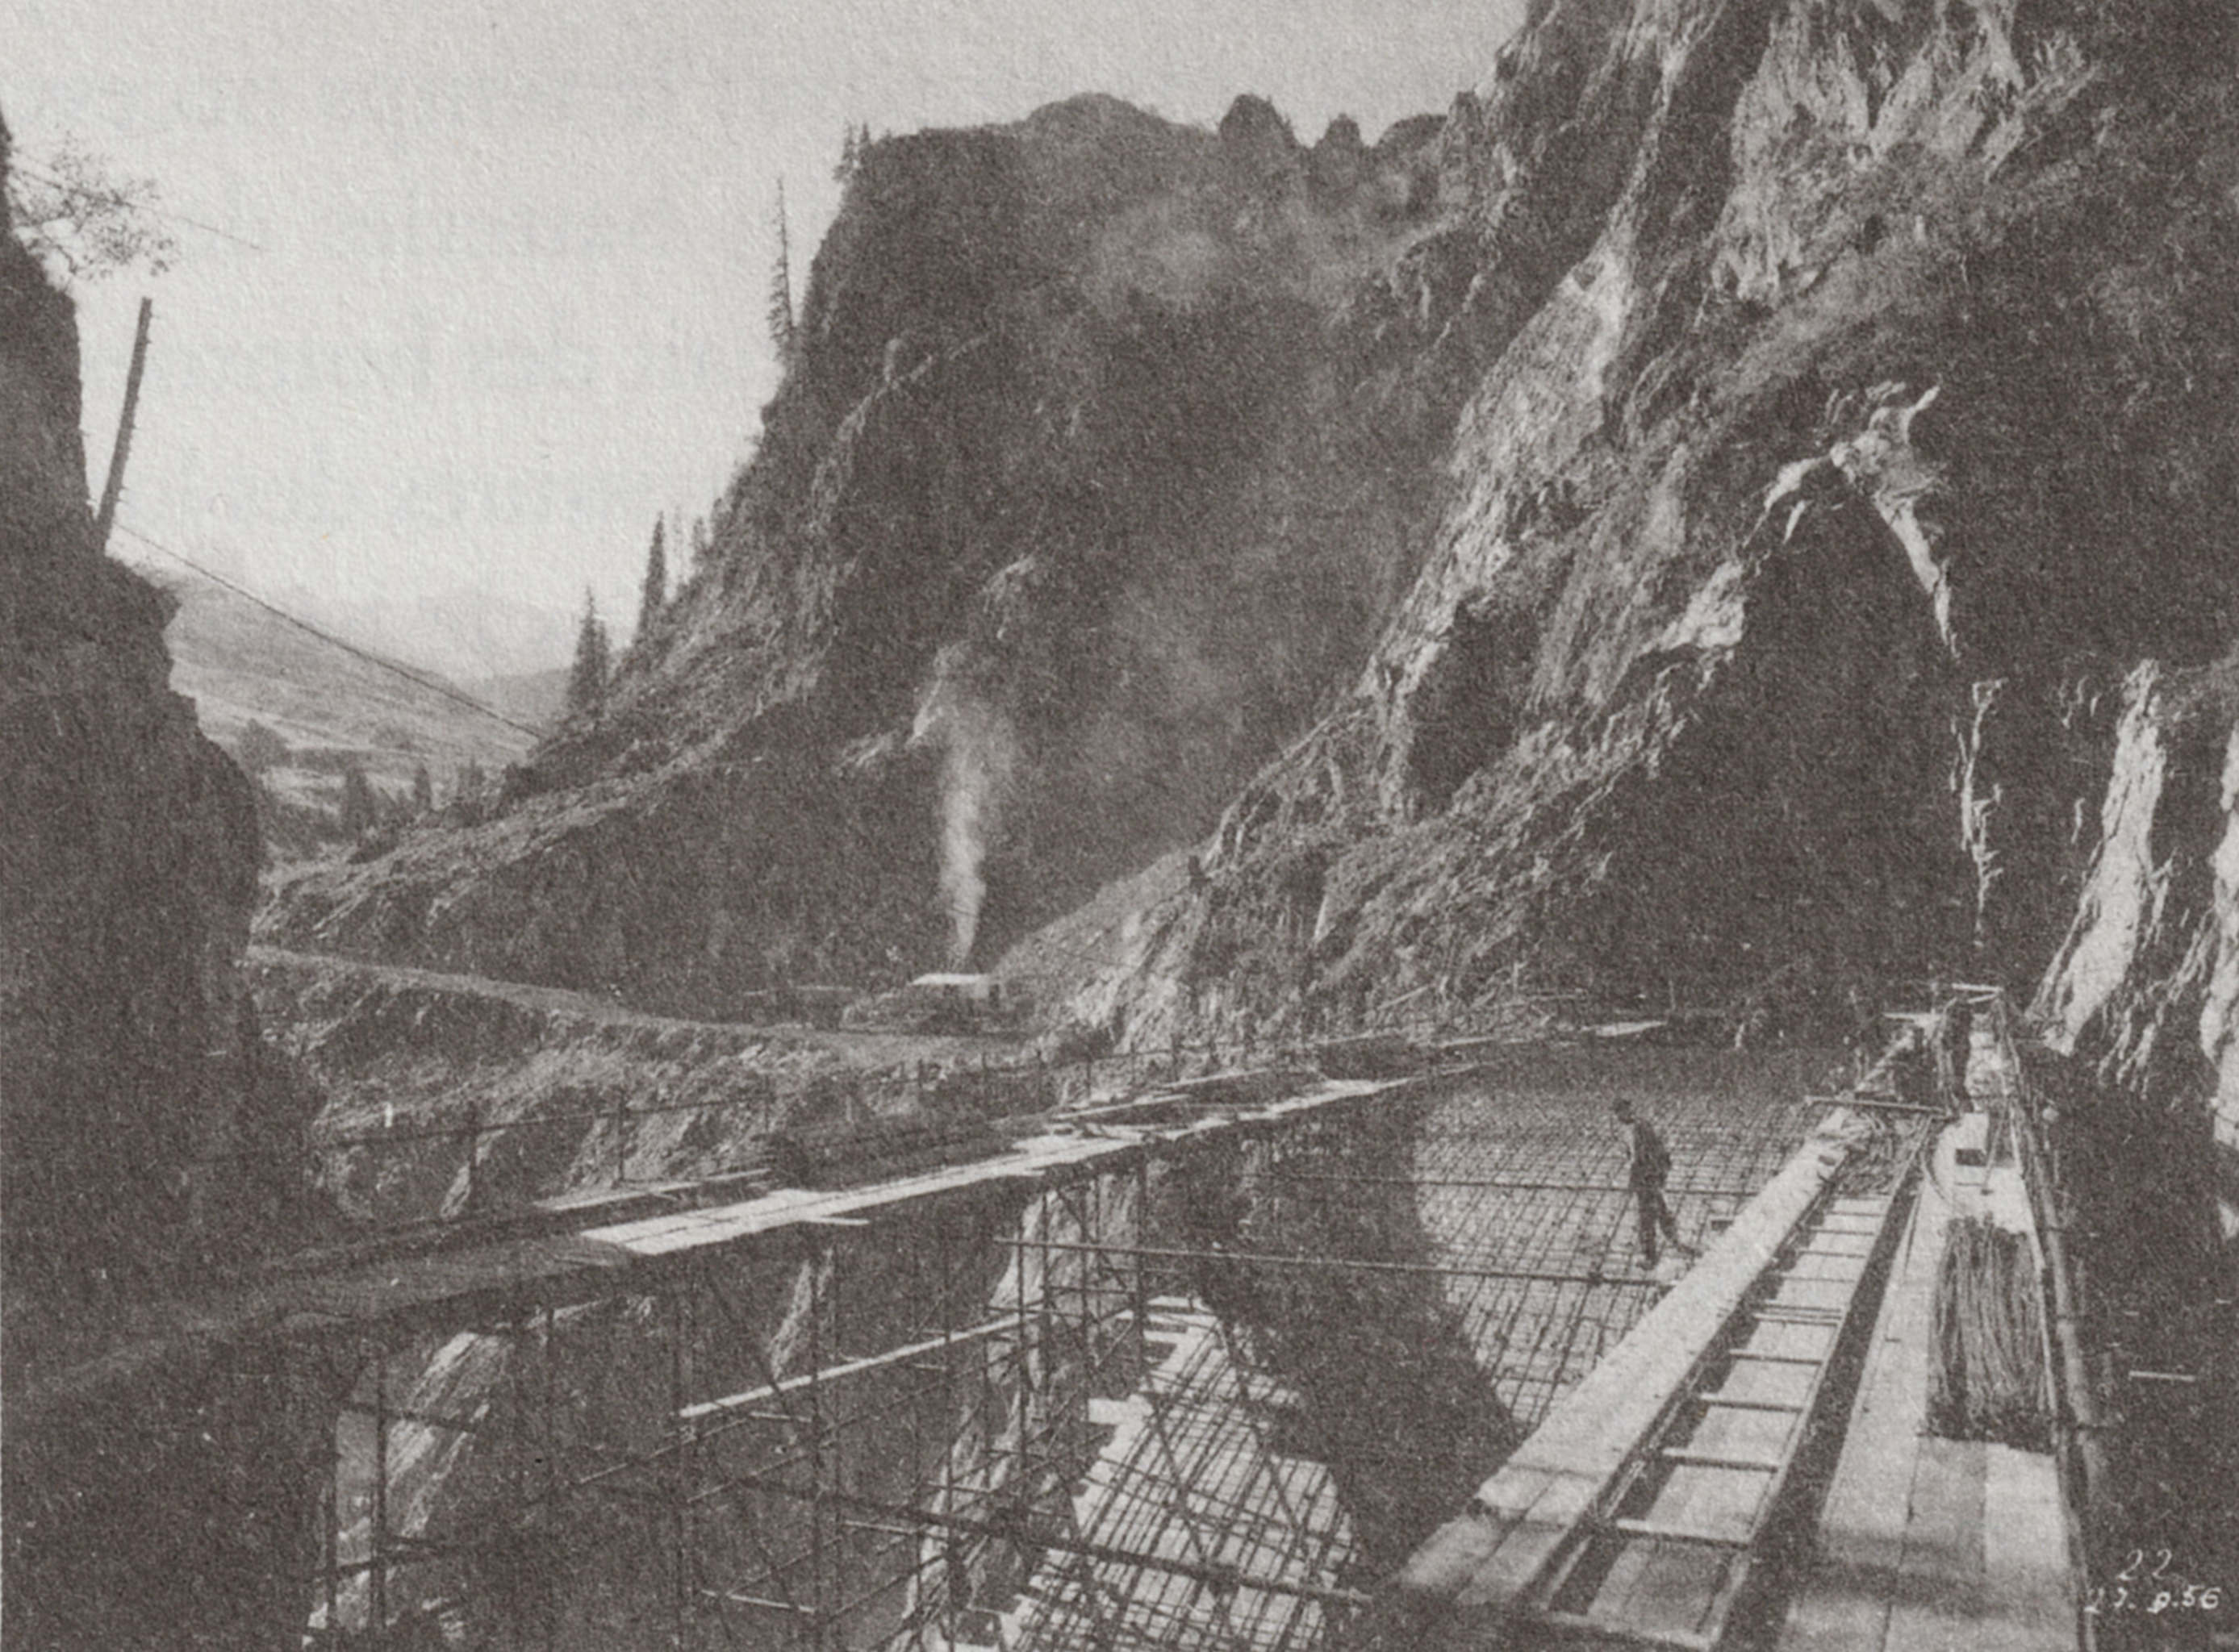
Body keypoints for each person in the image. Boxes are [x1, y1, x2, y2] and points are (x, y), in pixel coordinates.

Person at [1615, 1098, 1690, 1268]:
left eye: (1624, 1111)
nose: (1621, 1115)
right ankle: (1675, 1241)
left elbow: (1655, 1151)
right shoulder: (1626, 1129)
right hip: (1645, 1176)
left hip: (1648, 1176)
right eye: (1619, 1112)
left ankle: (1652, 1256)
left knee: (1647, 1216)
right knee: (1659, 1210)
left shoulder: (1642, 1127)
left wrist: (1655, 1176)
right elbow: (1633, 1155)